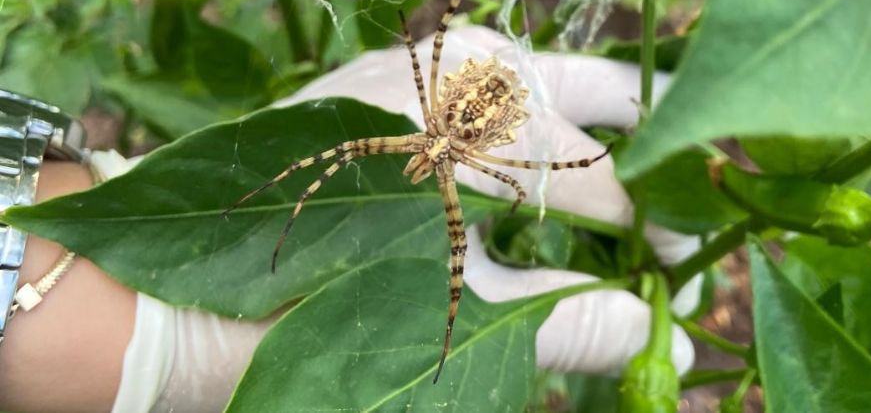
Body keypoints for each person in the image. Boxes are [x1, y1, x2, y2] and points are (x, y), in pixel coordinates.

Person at [0, 26, 701, 413]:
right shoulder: (409, 144)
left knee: (451, 242)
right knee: (337, 153)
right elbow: (385, 99)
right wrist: (152, 337)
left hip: (458, 136)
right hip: (443, 132)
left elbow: (529, 165)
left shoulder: (465, 177)